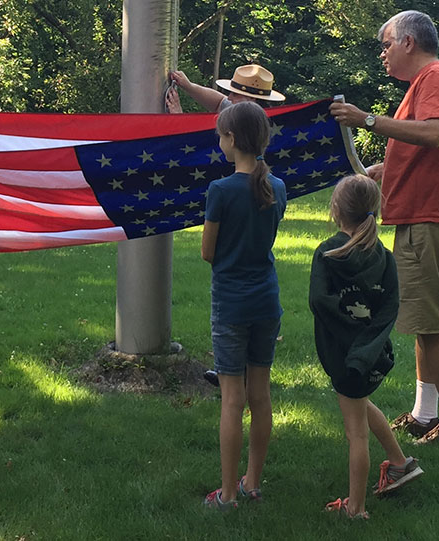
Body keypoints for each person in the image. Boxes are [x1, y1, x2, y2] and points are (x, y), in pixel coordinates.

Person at [329, 10, 439, 443]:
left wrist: (366, 120)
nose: (383, 54)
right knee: (420, 321)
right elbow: (423, 147)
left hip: (432, 219)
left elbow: (433, 134)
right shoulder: (423, 84)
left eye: (386, 44)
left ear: (409, 42)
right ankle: (424, 414)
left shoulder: (436, 76)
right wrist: (385, 166)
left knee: (433, 325)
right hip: (421, 218)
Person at [309, 175, 424, 519]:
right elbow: (389, 310)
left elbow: (319, 301)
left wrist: (351, 345)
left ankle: (355, 508)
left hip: (346, 358)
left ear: (335, 210)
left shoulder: (328, 253)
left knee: (355, 433)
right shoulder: (385, 258)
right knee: (360, 405)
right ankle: (401, 463)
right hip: (370, 356)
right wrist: (366, 346)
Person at [200, 101, 286, 510]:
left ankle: (228, 494)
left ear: (232, 140)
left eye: (221, 135)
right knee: (261, 395)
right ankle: (253, 482)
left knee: (232, 400)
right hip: (267, 301)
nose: (219, 141)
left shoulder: (220, 190)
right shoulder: (279, 186)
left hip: (231, 305)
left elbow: (207, 252)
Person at [166, 64, 285, 114]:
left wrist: (179, 117)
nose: (229, 97)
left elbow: (204, 146)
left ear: (252, 99)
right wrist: (189, 86)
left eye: (235, 94)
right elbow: (219, 102)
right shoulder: (241, 110)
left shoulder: (250, 127)